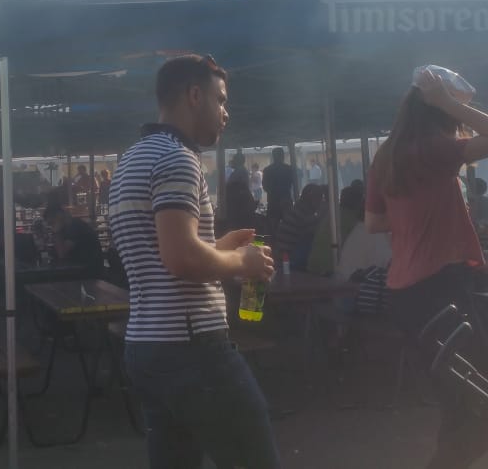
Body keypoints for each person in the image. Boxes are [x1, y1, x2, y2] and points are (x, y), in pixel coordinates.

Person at [108, 54, 278, 469]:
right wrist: (241, 262)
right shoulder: (178, 158)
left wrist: (216, 247)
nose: (226, 112)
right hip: (193, 350)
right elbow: (181, 258)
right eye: (221, 100)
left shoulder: (131, 159)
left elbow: (160, 256)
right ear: (194, 95)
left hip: (146, 345)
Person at [365, 67, 488, 468]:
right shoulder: (434, 148)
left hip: (404, 292)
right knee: (484, 407)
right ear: (439, 111)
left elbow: (374, 222)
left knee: (459, 403)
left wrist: (418, 214)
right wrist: (449, 102)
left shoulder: (386, 155)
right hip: (439, 288)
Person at [274, 184, 326, 272]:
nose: (321, 202)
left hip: (280, 259)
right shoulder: (305, 216)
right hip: (291, 262)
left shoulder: (296, 210)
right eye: (320, 198)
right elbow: (318, 238)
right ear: (312, 199)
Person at [262, 148, 296, 226]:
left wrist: (272, 191)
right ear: (282, 156)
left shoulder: (267, 170)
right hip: (286, 200)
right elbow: (293, 184)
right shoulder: (288, 169)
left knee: (273, 226)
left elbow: (265, 186)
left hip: (273, 201)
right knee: (289, 225)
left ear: (273, 156)